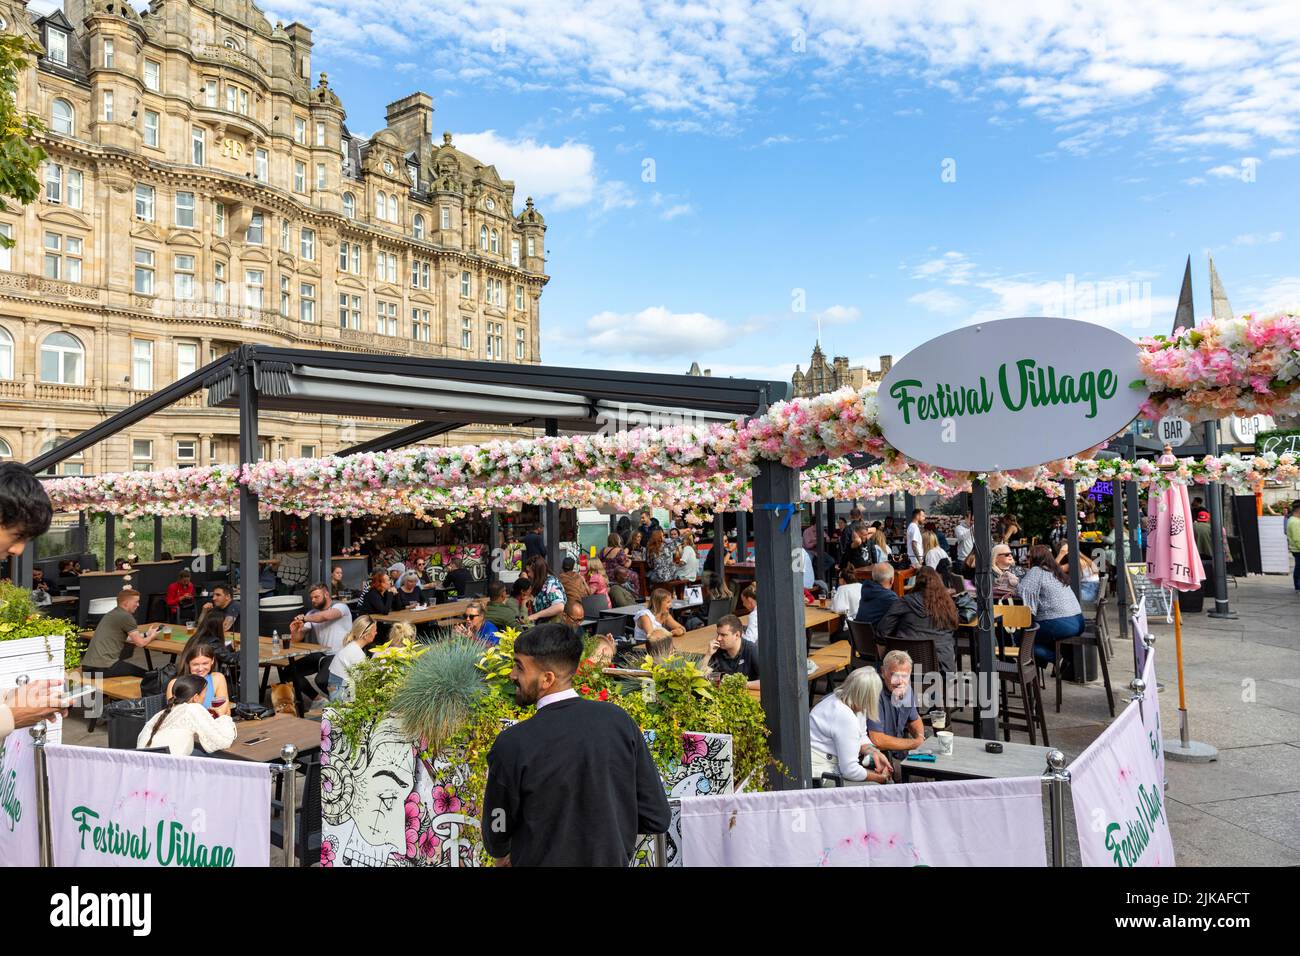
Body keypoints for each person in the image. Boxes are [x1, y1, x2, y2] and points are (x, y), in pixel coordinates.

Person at [482, 623, 670, 866]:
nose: (512, 675)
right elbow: (657, 815)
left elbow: (498, 826)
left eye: (519, 666)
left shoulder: (513, 744)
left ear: (547, 678)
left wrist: (509, 850)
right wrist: (609, 836)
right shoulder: (619, 722)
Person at [809, 667, 892, 785]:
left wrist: (874, 752)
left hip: (833, 767)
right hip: (820, 775)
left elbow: (862, 736)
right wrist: (881, 778)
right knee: (876, 789)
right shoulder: (844, 716)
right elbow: (850, 770)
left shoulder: (850, 702)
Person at [878, 566, 959, 673]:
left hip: (907, 668)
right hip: (943, 669)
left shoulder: (905, 602)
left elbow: (882, 630)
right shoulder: (948, 605)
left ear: (917, 581)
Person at [285, 582, 354, 707]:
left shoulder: (340, 607)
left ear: (326, 594)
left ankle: (342, 702)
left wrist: (304, 618)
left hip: (340, 654)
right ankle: (318, 699)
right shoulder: (312, 614)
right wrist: (295, 630)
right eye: (311, 598)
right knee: (289, 671)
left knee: (321, 680)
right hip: (323, 654)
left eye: (316, 597)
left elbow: (325, 616)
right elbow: (297, 639)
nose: (313, 600)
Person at [137, 673, 237, 756]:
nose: (205, 697)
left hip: (147, 769)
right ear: (196, 697)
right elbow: (223, 741)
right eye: (204, 694)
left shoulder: (160, 714)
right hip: (170, 771)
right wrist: (224, 716)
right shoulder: (192, 708)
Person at [1018, 544, 1085, 666]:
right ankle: (1040, 667)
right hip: (1079, 622)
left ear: (1034, 558)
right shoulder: (1056, 572)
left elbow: (1023, 594)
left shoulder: (1036, 571)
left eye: (1028, 557)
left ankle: (1056, 659)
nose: (1026, 560)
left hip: (1061, 624)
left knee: (1019, 638)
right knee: (1034, 630)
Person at [82, 589, 162, 678]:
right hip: (101, 668)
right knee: (147, 675)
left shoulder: (112, 613)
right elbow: (140, 643)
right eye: (136, 602)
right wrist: (152, 636)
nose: (138, 605)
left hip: (88, 668)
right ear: (126, 603)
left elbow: (124, 638)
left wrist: (146, 634)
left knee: (135, 670)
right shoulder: (126, 617)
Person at [867, 650, 925, 765]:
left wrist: (920, 738)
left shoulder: (906, 688)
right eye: (894, 675)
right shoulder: (875, 691)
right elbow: (877, 740)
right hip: (873, 755)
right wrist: (914, 744)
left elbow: (914, 719)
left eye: (904, 676)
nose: (900, 681)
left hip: (897, 752)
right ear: (883, 672)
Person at [166, 639, 231, 717]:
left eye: (205, 663)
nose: (200, 669)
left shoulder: (217, 678)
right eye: (195, 664)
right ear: (188, 663)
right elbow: (173, 716)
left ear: (212, 661)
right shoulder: (174, 683)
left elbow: (226, 713)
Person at [704, 614, 759, 688]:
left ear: (737, 635)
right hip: (724, 696)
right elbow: (702, 676)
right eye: (718, 634)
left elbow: (767, 681)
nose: (718, 638)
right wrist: (708, 654)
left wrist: (737, 683)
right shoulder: (717, 650)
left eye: (723, 635)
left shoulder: (752, 650)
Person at [854, 563, 899, 629]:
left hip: (858, 636)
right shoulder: (890, 598)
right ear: (891, 580)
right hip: (876, 638)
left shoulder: (866, 589)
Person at [524, 555, 566, 623]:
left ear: (537, 571)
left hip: (552, 628)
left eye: (529, 571)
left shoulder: (551, 583)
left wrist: (536, 616)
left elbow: (559, 607)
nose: (528, 574)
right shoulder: (542, 583)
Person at [1289, 500, 1300, 592]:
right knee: (1299, 569)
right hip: (1298, 549)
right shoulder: (1295, 522)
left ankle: (1297, 585)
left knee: (1298, 567)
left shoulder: (1292, 520)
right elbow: (1297, 538)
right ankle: (1298, 586)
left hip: (1296, 549)